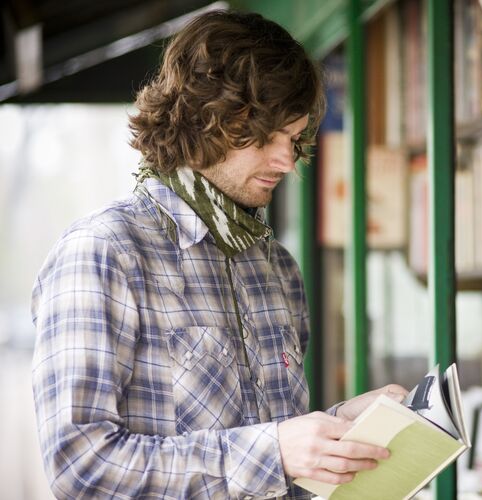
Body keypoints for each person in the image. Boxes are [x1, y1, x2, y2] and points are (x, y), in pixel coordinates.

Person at [30, 10, 407, 499]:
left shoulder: (277, 268)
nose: (286, 161)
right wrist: (275, 451)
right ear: (204, 120)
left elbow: (271, 450)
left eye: (293, 139)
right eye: (265, 137)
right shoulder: (104, 253)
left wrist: (339, 430)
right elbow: (79, 466)